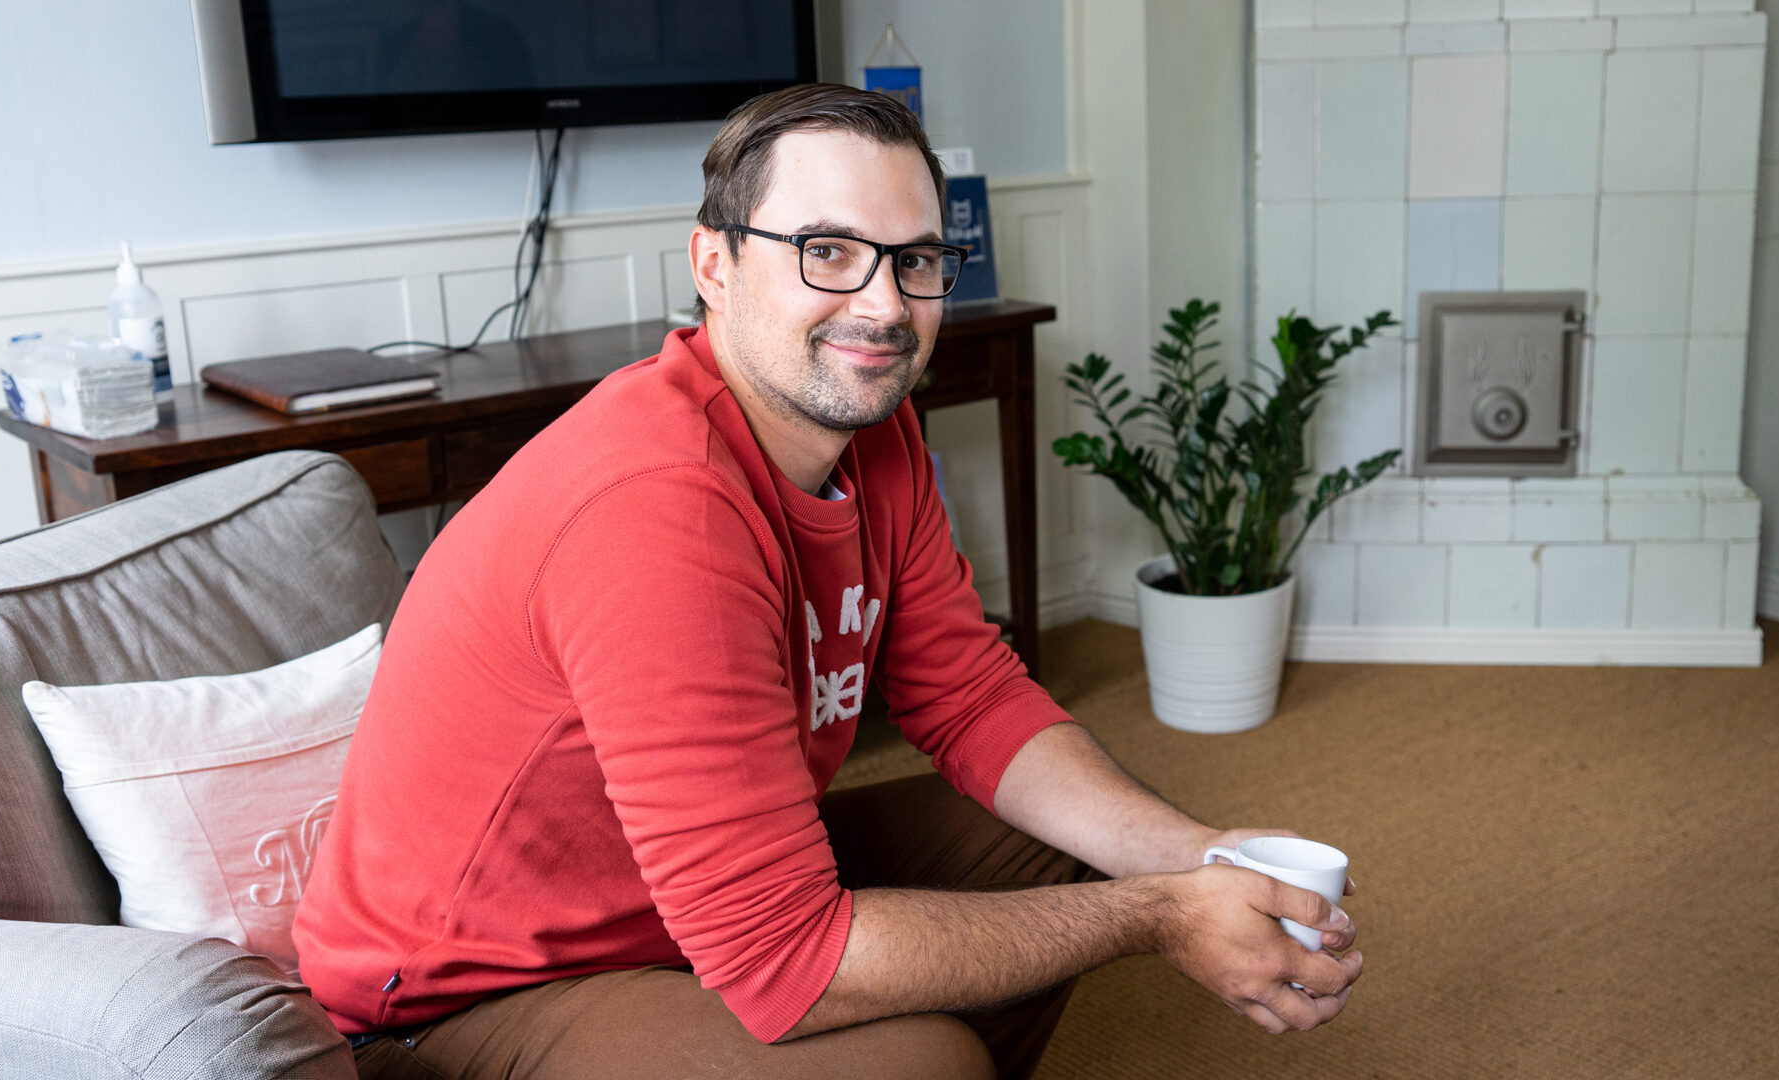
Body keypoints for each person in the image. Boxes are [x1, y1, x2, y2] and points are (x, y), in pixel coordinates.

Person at [292, 82, 1363, 1080]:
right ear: (715, 264)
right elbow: (781, 961)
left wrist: (1200, 855)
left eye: (915, 260)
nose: (884, 306)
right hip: (462, 992)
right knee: (925, 1061)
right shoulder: (655, 506)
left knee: (1059, 838)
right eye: (827, 251)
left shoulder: (874, 428)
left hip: (678, 910)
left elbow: (972, 698)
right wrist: (1160, 914)